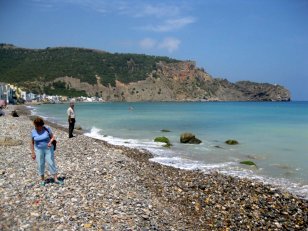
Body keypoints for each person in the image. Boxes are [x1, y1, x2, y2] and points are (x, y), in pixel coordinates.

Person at [31, 117, 63, 186]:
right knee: (40, 164)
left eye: (39, 126)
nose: (38, 128)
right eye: (36, 126)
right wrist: (33, 152)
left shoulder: (47, 129)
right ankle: (42, 180)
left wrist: (50, 142)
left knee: (51, 162)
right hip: (38, 150)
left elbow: (52, 137)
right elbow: (32, 142)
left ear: (42, 125)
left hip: (48, 149)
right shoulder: (33, 131)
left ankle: (55, 179)